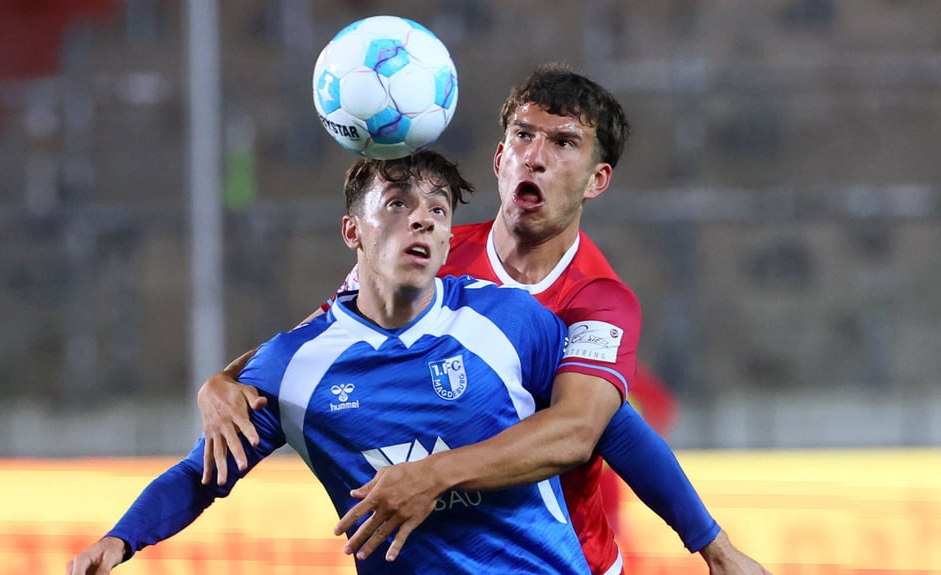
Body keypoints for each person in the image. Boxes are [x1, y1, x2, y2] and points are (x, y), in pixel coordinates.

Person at [198, 64, 771, 575]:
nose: (536, 156)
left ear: (597, 180)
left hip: (562, 557)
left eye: (564, 143)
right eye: (523, 136)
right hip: (432, 550)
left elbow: (584, 431)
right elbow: (322, 338)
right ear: (500, 158)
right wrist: (226, 380)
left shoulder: (598, 302)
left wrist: (714, 547)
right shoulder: (425, 255)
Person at [67, 151, 605, 575]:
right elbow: (202, 473)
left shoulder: (510, 321)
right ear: (353, 232)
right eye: (397, 204)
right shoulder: (295, 366)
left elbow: (610, 429)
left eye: (438, 210)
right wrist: (120, 539)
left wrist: (695, 536)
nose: (421, 219)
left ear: (447, 241)